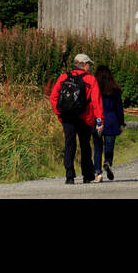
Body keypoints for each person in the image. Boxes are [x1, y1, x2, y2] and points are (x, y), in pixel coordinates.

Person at [49, 52, 103, 184]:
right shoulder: (90, 80)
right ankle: (87, 175)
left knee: (69, 144)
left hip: (67, 117)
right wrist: (99, 120)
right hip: (84, 118)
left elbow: (53, 97)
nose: (89, 67)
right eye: (89, 65)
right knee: (85, 145)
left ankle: (69, 176)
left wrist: (60, 114)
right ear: (84, 65)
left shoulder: (63, 78)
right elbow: (96, 102)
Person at [93, 65, 125, 182]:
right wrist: (121, 123)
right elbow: (119, 109)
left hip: (97, 120)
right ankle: (107, 162)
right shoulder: (115, 90)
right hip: (111, 120)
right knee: (109, 146)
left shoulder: (94, 89)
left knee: (97, 148)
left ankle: (97, 173)